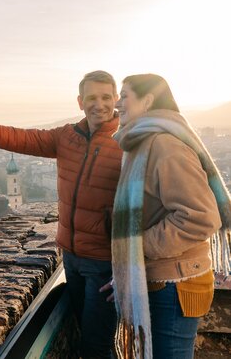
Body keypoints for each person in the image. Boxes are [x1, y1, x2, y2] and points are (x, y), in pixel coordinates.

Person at [0, 70, 123, 359]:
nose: (100, 104)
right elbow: (20, 138)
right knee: (87, 335)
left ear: (116, 99)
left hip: (105, 262)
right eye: (92, 97)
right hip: (71, 256)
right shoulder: (66, 136)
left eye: (106, 97)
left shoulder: (128, 141)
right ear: (80, 101)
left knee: (97, 346)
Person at [104, 74, 231, 359]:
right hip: (164, 280)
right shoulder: (143, 143)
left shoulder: (164, 145)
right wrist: (125, 271)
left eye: (125, 96)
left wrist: (136, 249)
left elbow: (201, 217)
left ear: (147, 101)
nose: (117, 103)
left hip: (176, 286)